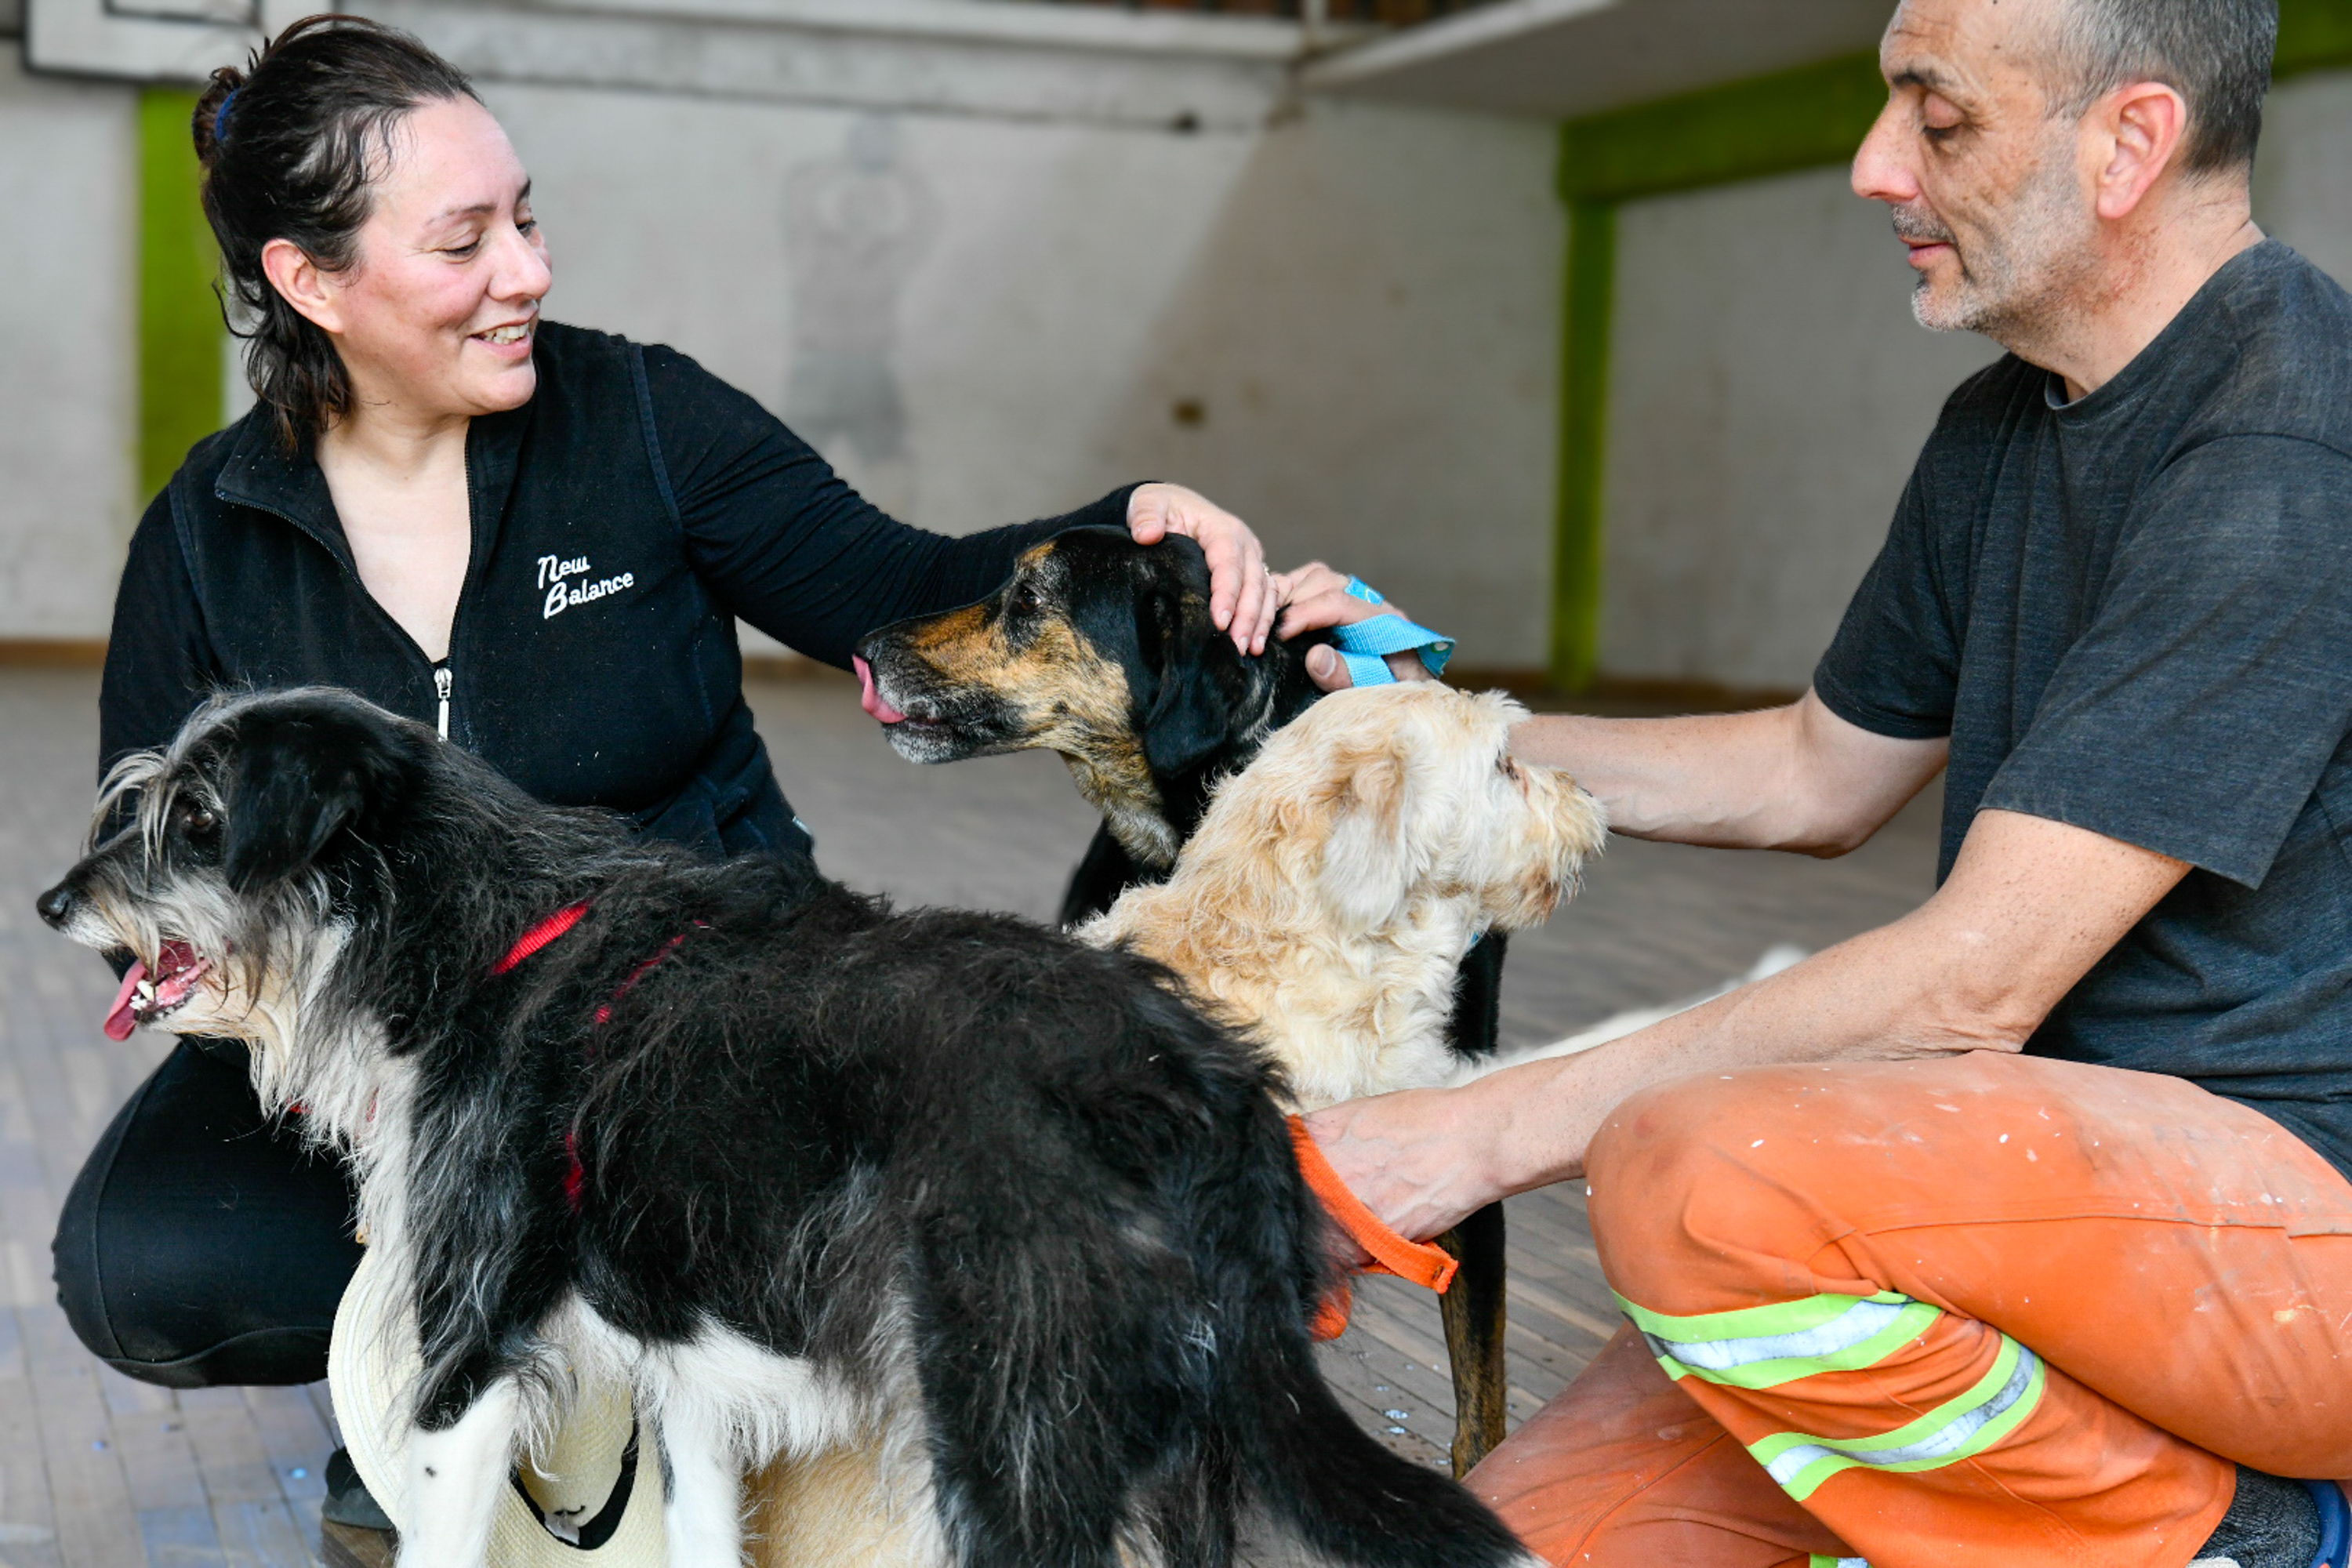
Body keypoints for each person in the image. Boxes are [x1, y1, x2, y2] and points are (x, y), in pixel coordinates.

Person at [49, 12, 1384, 1512]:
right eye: (465, 242)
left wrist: (1140, 519)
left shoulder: (638, 420)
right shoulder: (213, 533)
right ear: (313, 282)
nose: (530, 273)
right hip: (398, 1050)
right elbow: (176, 888)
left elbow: (898, 587)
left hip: (697, 1018)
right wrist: (374, 1105)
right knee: (146, 1262)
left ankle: (632, 1363)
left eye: (529, 218)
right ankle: (480, 1368)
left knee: (756, 1170)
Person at [1304, 2, 2352, 1565]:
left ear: (2130, 141)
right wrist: (1452, 733)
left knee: (1698, 1169)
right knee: (1517, 1548)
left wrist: (1442, 1140)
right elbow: (1814, 769)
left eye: (1937, 122)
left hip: (2288, 1232)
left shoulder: (2287, 439)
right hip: (2006, 1198)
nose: (1872, 170)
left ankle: (2237, 1536)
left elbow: (1969, 985)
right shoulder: (2006, 427)